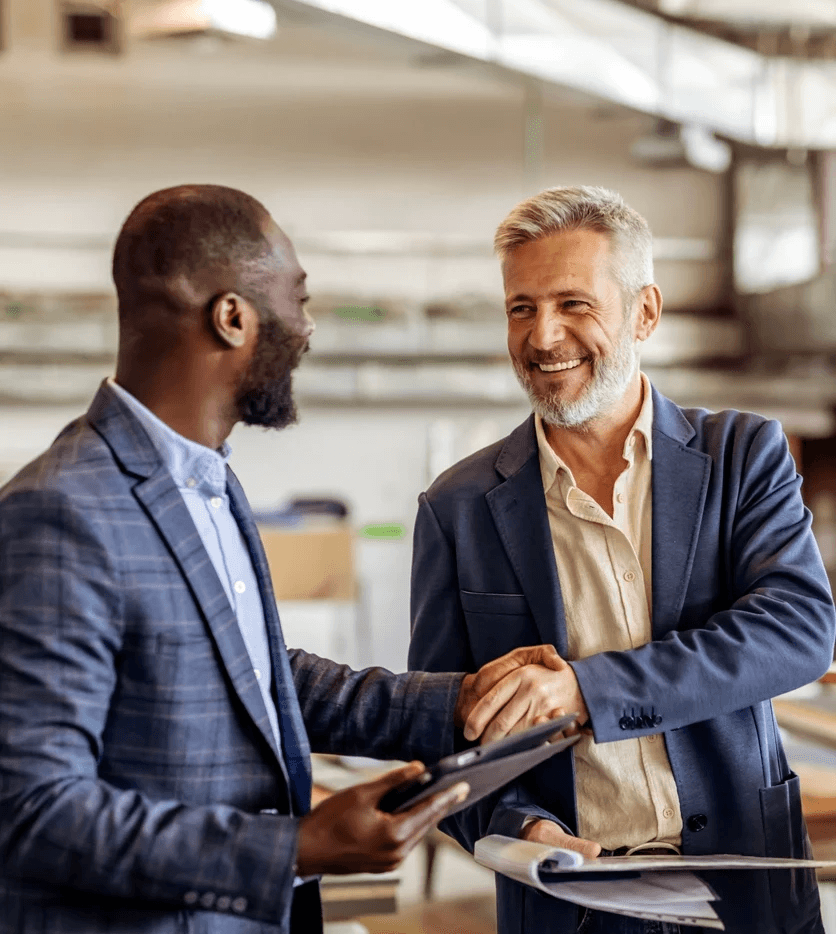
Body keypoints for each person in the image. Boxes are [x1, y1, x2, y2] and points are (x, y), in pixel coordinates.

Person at [0, 184, 566, 934]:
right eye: (297, 299)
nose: (307, 327)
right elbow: (31, 809)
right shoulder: (62, 511)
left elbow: (257, 679)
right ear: (232, 317)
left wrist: (454, 703)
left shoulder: (208, 484)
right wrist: (298, 847)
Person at [408, 185, 836, 934]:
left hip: (744, 896)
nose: (543, 336)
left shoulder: (742, 455)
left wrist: (586, 691)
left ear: (645, 312)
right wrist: (519, 826)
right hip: (571, 908)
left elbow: (797, 632)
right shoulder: (458, 506)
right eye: (521, 308)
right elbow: (444, 737)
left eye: (574, 304)